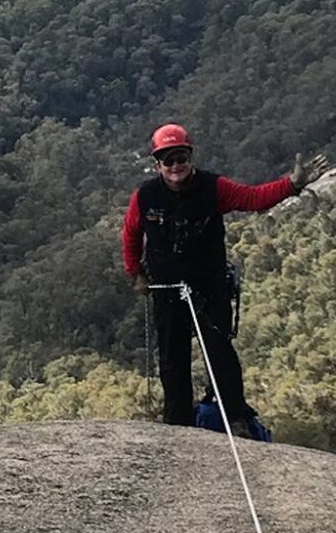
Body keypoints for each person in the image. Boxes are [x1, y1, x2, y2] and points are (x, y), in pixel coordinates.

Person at [122, 123, 325, 439]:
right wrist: (135, 272)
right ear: (157, 163)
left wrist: (292, 185)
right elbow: (131, 234)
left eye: (181, 158)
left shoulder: (213, 188)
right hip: (167, 288)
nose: (176, 166)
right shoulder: (145, 196)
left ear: (190, 157)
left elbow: (253, 198)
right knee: (172, 358)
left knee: (219, 352)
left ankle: (235, 417)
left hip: (207, 285)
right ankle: (177, 424)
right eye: (168, 160)